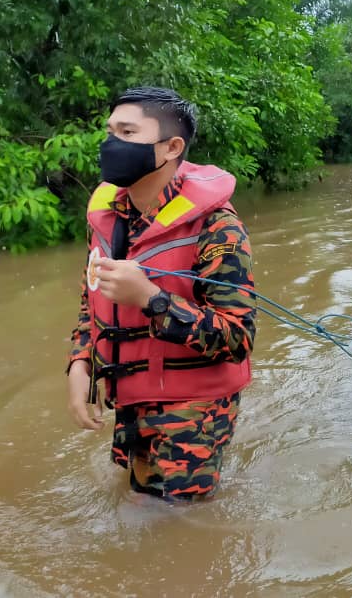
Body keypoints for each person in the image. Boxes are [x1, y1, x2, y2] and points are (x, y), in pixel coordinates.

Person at [66, 87, 256, 501]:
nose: (111, 143)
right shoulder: (107, 216)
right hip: (131, 399)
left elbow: (238, 339)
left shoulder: (217, 228)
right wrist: (81, 364)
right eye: (110, 131)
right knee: (137, 504)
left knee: (174, 528)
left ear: (172, 147)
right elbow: (90, 301)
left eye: (127, 132)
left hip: (193, 410)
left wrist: (152, 298)